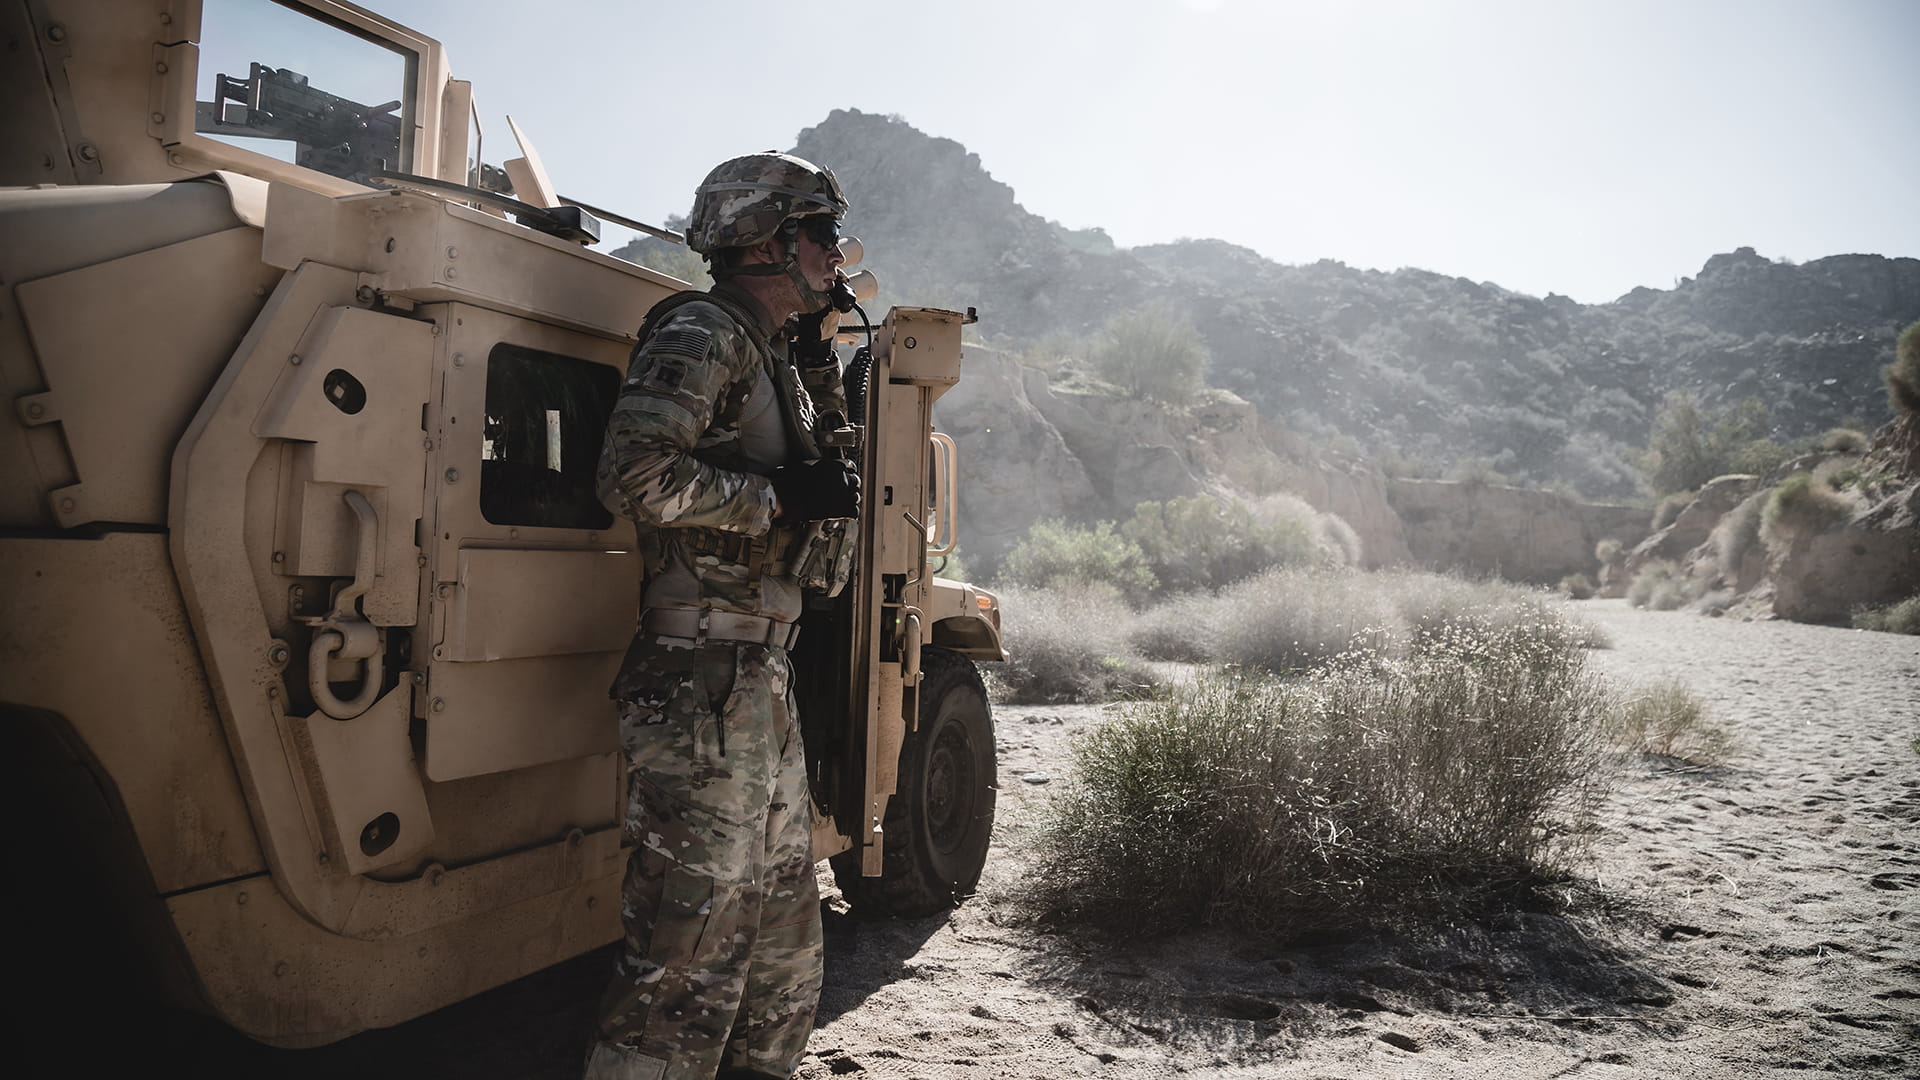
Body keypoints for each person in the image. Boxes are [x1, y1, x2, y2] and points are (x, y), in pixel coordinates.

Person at [585, 151, 861, 1080]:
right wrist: (778, 499)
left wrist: (824, 397)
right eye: (820, 233)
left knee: (783, 937)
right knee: (686, 952)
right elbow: (636, 474)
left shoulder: (777, 355)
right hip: (700, 683)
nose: (836, 254)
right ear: (766, 240)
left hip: (757, 684)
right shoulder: (702, 330)